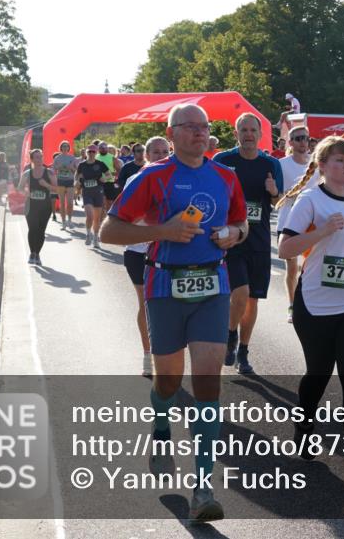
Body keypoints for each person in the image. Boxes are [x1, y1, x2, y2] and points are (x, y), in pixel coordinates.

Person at [101, 103, 246, 523]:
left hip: (211, 286)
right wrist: (162, 231)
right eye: (190, 127)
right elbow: (110, 230)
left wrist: (234, 234)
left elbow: (242, 223)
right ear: (173, 131)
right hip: (165, 285)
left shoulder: (225, 176)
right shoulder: (153, 175)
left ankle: (203, 487)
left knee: (207, 381)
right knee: (168, 380)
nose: (200, 134)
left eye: (204, 127)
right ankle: (161, 420)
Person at [277, 136, 344, 485]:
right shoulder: (309, 201)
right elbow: (285, 249)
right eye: (338, 160)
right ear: (322, 167)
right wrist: (321, 231)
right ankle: (304, 429)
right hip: (317, 304)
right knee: (318, 374)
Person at [215, 113, 284, 374]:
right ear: (236, 134)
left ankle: (243, 350)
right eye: (243, 130)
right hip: (231, 238)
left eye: (252, 129)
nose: (248, 134)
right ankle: (230, 334)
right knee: (240, 292)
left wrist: (273, 191)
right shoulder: (223, 161)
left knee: (253, 299)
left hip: (259, 239)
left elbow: (279, 201)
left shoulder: (270, 164)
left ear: (260, 133)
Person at [120, 137, 172, 379]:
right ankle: (147, 353)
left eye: (165, 152)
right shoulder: (134, 180)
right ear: (147, 155)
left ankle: (168, 354)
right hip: (139, 252)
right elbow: (125, 218)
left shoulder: (178, 179)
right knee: (147, 304)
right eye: (156, 152)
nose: (161, 156)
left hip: (169, 252)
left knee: (170, 305)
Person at [276, 126, 314, 323]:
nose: (303, 142)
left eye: (306, 138)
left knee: (308, 269)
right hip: (288, 222)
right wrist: (292, 195)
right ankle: (292, 306)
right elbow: (276, 198)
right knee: (292, 269)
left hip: (312, 225)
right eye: (298, 138)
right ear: (290, 142)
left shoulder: (316, 164)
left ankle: (307, 305)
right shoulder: (281, 165)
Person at [18, 149, 60, 266]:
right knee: (32, 229)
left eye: (40, 157)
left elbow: (57, 189)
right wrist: (25, 191)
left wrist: (46, 185)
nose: (39, 159)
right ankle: (32, 253)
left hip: (45, 207)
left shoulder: (49, 173)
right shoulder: (27, 173)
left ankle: (37, 253)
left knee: (41, 231)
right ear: (31, 159)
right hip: (30, 206)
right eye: (36, 157)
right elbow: (20, 188)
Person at [76, 145, 108, 248]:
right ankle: (88, 234)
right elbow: (77, 176)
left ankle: (95, 237)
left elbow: (108, 175)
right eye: (89, 152)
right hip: (87, 192)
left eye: (93, 152)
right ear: (86, 152)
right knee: (90, 216)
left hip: (98, 191)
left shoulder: (100, 164)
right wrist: (77, 182)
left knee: (97, 218)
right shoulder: (82, 165)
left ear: (96, 153)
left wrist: (105, 178)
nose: (91, 154)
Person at [53, 141, 79, 228]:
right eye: (63, 146)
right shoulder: (57, 158)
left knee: (70, 203)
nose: (65, 148)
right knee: (62, 203)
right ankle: (63, 222)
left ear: (68, 148)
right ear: (61, 148)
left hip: (70, 181)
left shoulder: (72, 157)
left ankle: (69, 220)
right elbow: (53, 170)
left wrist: (71, 167)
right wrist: (58, 167)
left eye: (66, 146)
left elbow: (76, 171)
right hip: (60, 181)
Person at [95, 141, 123, 211]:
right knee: (102, 201)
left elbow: (119, 170)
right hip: (99, 183)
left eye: (105, 147)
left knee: (109, 202)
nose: (103, 149)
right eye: (101, 147)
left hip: (109, 182)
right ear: (98, 149)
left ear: (107, 148)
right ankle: (100, 218)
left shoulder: (112, 158)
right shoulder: (95, 157)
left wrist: (111, 174)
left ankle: (107, 216)